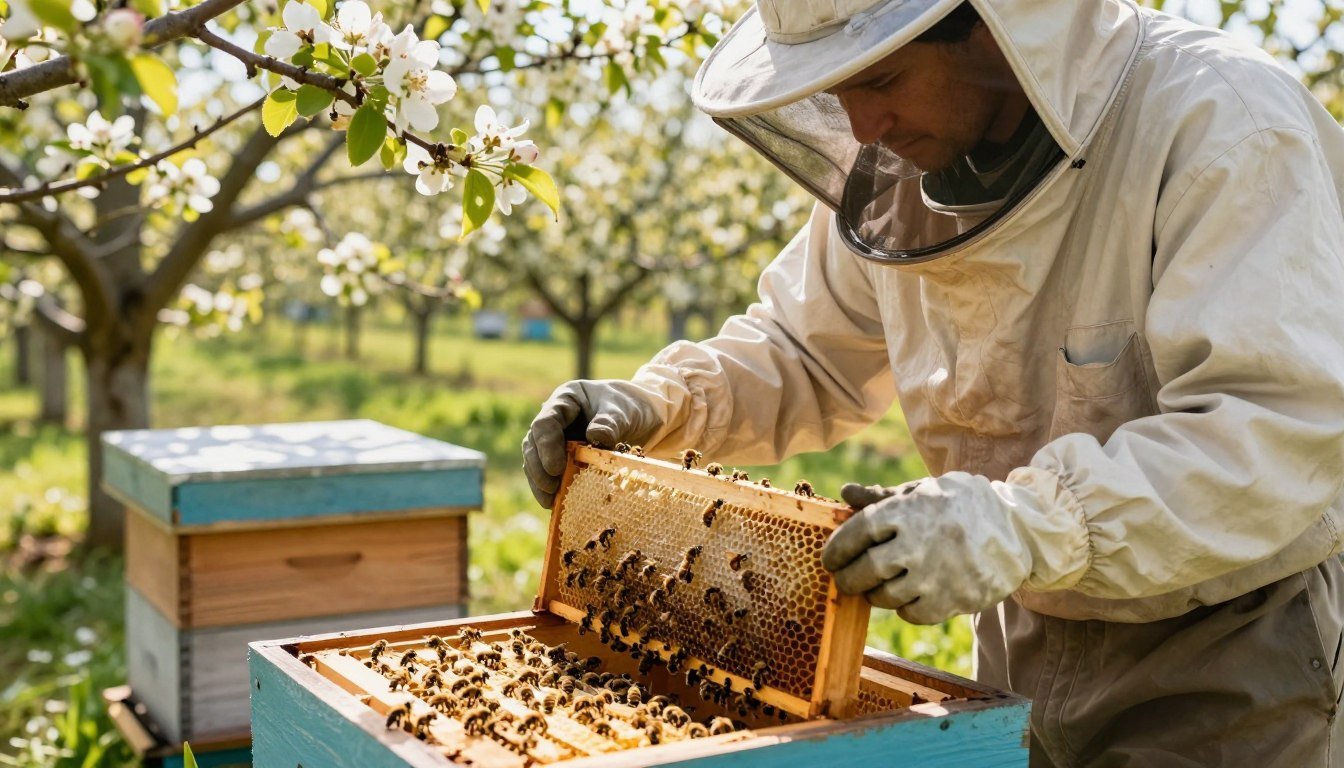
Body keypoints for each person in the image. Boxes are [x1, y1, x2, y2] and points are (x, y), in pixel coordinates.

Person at [522, 0, 1344, 763]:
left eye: (882, 79)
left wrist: (1019, 527)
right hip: (1020, 634)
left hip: (1222, 648)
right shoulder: (897, 168)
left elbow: (1269, 428)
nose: (861, 125)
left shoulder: (1223, 121)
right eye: (837, 90)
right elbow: (801, 349)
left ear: (994, 27)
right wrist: (657, 403)